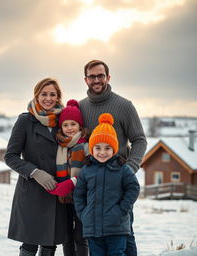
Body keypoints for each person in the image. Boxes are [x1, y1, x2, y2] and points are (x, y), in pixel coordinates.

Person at [79, 60, 147, 256]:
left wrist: (129, 169)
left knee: (126, 233)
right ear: (86, 80)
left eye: (101, 75)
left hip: (118, 181)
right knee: (95, 238)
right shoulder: (82, 107)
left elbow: (139, 140)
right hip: (92, 180)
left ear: (108, 77)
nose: (96, 80)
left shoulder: (124, 106)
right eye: (92, 76)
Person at [4, 78, 70, 256]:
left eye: (52, 95)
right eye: (44, 94)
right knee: (30, 242)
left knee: (50, 242)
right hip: (32, 190)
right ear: (36, 95)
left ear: (58, 97)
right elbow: (10, 156)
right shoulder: (26, 120)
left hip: (57, 190)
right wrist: (35, 172)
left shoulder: (64, 121)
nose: (48, 98)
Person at [73, 113, 140, 256]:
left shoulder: (123, 169)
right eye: (98, 148)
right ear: (91, 149)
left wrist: (121, 210)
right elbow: (79, 194)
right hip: (93, 227)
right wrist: (83, 214)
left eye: (107, 148)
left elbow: (133, 188)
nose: (102, 152)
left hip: (117, 227)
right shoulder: (86, 170)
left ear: (114, 149)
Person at [48, 99, 89, 256]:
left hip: (82, 197)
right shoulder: (59, 146)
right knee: (66, 236)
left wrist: (73, 182)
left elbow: (90, 170)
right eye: (65, 125)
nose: (69, 128)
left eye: (73, 124)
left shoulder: (86, 145)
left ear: (79, 125)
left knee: (80, 235)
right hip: (63, 198)